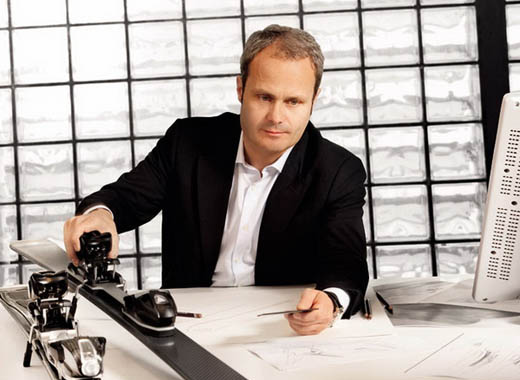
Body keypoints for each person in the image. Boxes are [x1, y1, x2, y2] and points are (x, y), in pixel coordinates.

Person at [63, 24, 368, 335]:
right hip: (187, 324)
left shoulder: (338, 171)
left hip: (281, 326)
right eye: (264, 97)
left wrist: (331, 302)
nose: (276, 117)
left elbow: (346, 263)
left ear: (314, 99)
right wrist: (100, 214)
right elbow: (125, 199)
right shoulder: (187, 143)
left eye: (293, 102)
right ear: (240, 89)